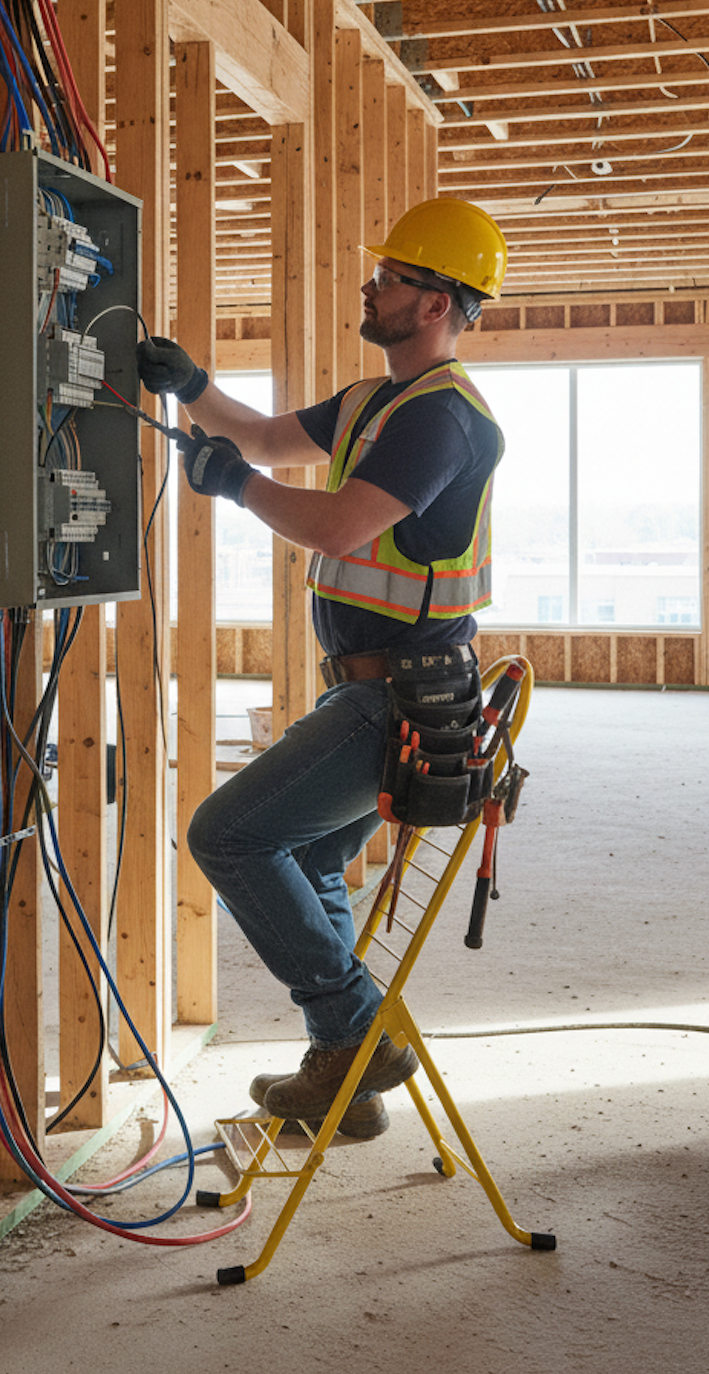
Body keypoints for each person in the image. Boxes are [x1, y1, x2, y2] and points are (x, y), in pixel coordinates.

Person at [137, 199, 508, 1139]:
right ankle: (347, 1087)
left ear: (438, 305)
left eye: (391, 277)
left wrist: (237, 490)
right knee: (303, 854)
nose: (370, 285)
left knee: (227, 836)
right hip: (370, 689)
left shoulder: (447, 420)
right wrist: (192, 386)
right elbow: (261, 437)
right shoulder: (368, 402)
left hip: (402, 697)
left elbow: (340, 522)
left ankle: (350, 1029)